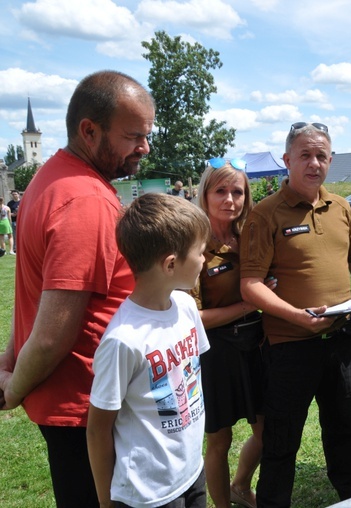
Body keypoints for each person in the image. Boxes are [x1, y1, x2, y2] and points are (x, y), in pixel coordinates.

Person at [0, 70, 154, 507]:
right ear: (89, 130)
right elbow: (52, 335)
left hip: (77, 403)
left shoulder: (52, 178)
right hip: (88, 407)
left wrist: (11, 359)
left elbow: (32, 290)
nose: (144, 147)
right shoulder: (85, 200)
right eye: (134, 136)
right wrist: (13, 388)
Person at [239, 121, 351, 507]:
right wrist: (297, 317)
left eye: (321, 155)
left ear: (330, 160)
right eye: (305, 155)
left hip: (339, 342)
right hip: (290, 347)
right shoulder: (265, 214)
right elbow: (250, 284)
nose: (314, 163)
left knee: (342, 433)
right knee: (281, 442)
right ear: (287, 160)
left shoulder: (342, 208)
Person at [87, 193, 210, 508]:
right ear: (171, 264)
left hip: (192, 470)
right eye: (200, 252)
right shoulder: (123, 340)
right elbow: (98, 430)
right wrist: (106, 503)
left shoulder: (185, 307)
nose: (204, 259)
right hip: (148, 493)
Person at [191, 158, 274, 508]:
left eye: (237, 191)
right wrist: (247, 305)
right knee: (219, 440)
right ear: (205, 195)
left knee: (267, 431)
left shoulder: (250, 238)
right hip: (216, 352)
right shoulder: (193, 246)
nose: (230, 199)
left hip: (257, 344)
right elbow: (193, 319)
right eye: (220, 191)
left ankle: (241, 485)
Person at [8, 190, 20, 254]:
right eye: (13, 194)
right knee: (14, 235)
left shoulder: (22, 202)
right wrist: (12, 214)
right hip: (13, 221)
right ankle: (15, 248)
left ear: (18, 195)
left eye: (15, 194)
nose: (14, 195)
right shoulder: (10, 203)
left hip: (20, 221)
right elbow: (7, 212)